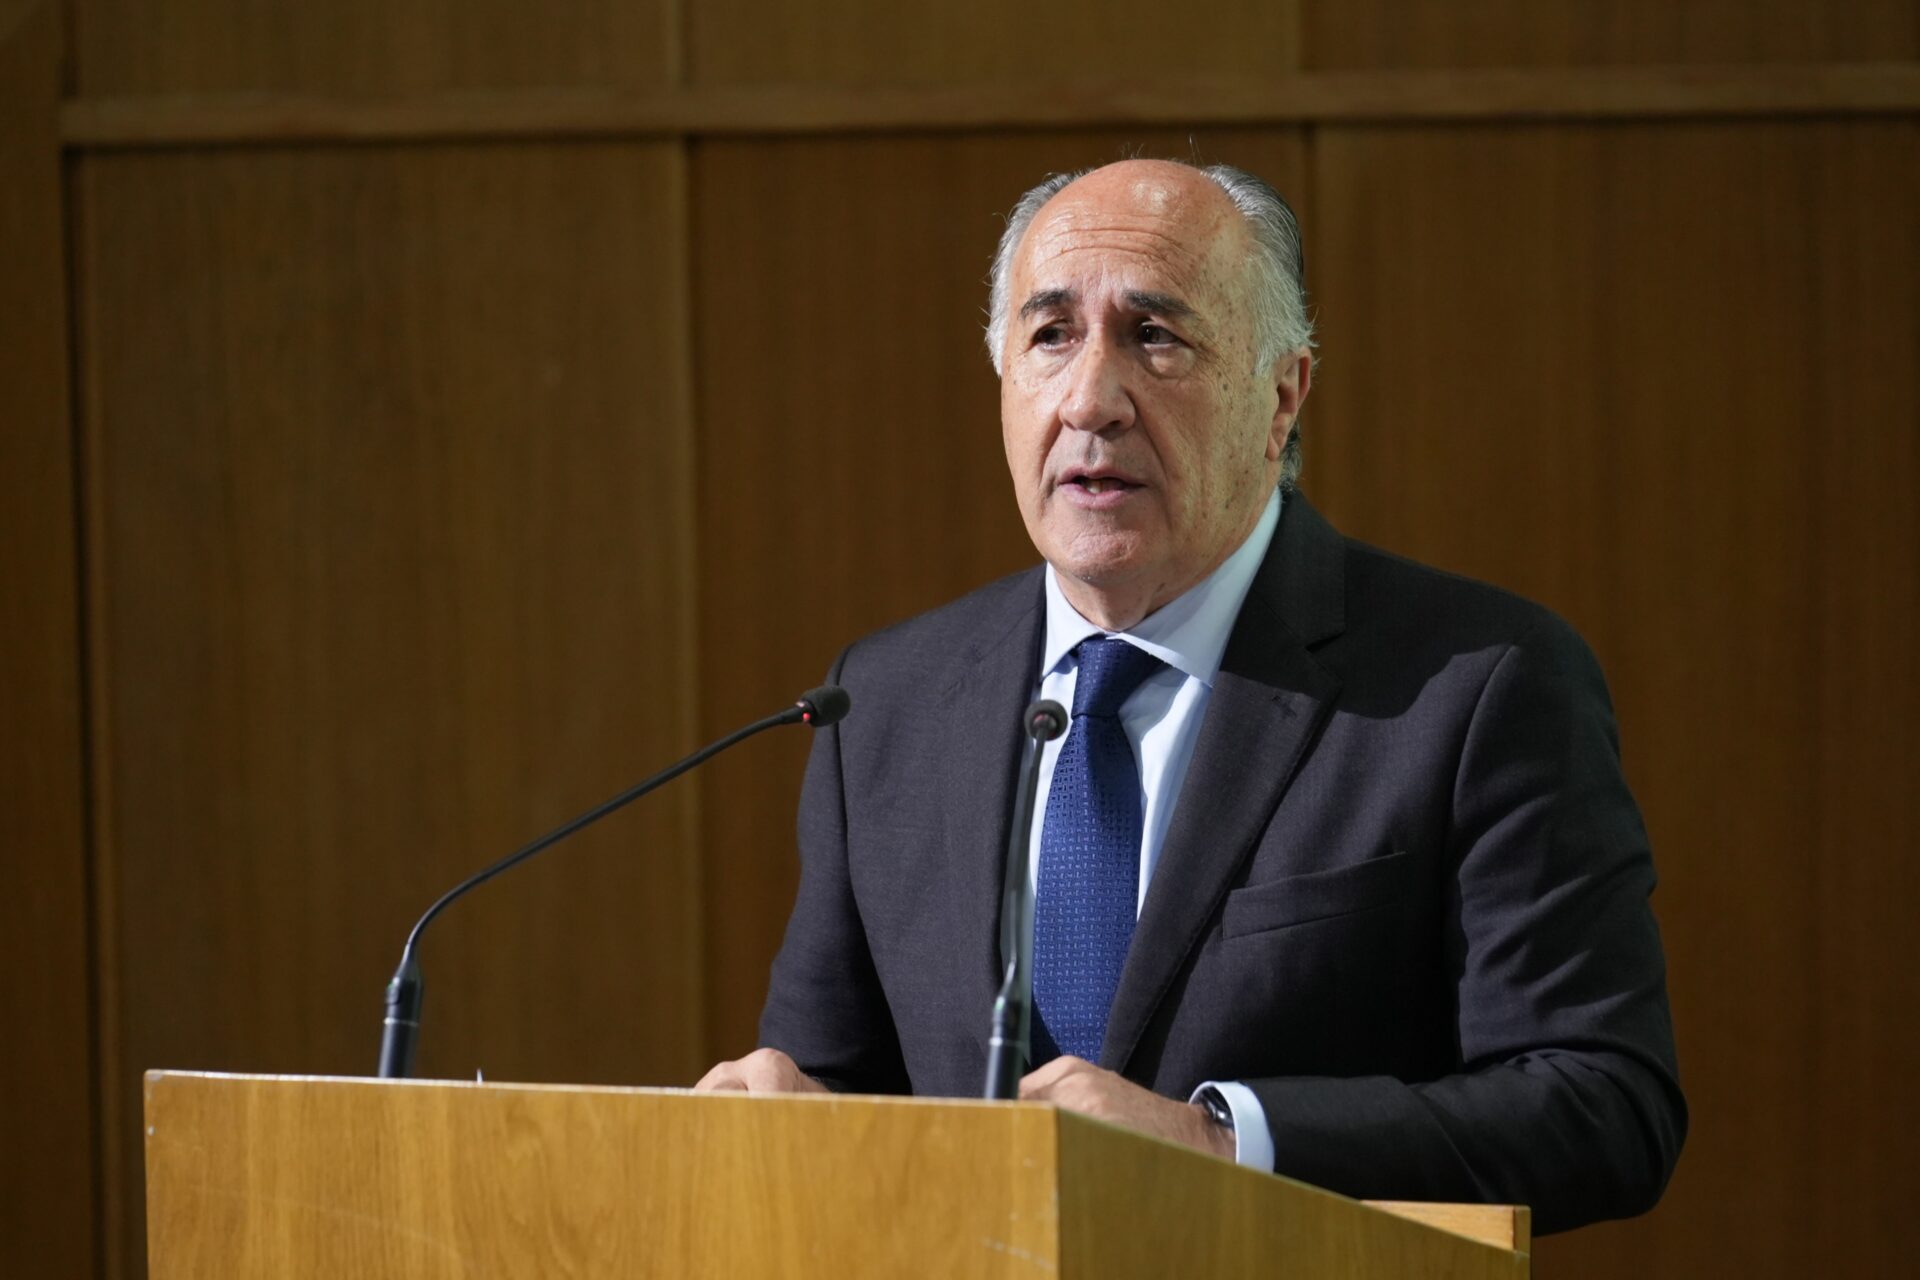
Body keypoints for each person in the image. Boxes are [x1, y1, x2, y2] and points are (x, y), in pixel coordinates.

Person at [695, 158, 1685, 1234]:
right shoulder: (885, 702)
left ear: (1282, 395)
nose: (1090, 400)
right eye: (1050, 336)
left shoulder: (1476, 684)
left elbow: (1602, 1104)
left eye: (1155, 336)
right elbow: (843, 1081)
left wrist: (1221, 1139)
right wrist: (790, 1114)